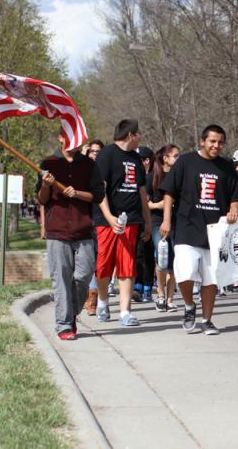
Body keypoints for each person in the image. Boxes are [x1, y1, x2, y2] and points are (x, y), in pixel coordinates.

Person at [160, 124, 238, 335]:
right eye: (212, 141)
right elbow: (169, 193)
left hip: (215, 230)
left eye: (220, 142)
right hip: (187, 227)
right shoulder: (186, 162)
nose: (216, 145)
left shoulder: (227, 167)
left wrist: (233, 210)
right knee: (185, 274)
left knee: (210, 279)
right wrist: (166, 220)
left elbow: (235, 197)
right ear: (202, 141)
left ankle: (206, 320)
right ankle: (189, 306)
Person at [37, 133, 104, 340]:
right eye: (69, 136)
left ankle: (71, 309)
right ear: (59, 138)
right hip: (56, 230)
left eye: (78, 137)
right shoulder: (48, 163)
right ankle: (64, 324)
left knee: (83, 276)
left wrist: (78, 194)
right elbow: (42, 199)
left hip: (83, 229)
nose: (74, 141)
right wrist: (46, 185)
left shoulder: (89, 165)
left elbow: (98, 195)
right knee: (61, 279)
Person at [93, 119, 152, 327]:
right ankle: (102, 301)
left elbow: (142, 192)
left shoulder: (136, 159)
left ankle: (125, 312)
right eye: (138, 133)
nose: (140, 136)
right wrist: (109, 217)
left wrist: (147, 220)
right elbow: (101, 189)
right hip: (106, 221)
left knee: (127, 265)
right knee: (103, 265)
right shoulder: (106, 155)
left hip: (132, 220)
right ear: (130, 135)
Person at [150, 144, 181, 312]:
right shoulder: (152, 177)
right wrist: (158, 205)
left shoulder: (180, 176)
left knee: (175, 261)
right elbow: (145, 203)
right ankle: (160, 295)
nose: (178, 158)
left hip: (178, 223)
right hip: (157, 223)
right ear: (165, 158)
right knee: (162, 259)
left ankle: (170, 299)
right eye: (175, 155)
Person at [83, 139, 105, 317]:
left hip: (102, 220)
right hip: (83, 220)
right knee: (86, 262)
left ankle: (94, 296)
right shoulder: (81, 170)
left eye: (98, 151)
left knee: (98, 261)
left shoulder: (104, 171)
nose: (95, 154)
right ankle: (88, 295)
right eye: (92, 151)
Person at [134, 146, 156, 303]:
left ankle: (146, 287)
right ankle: (138, 285)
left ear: (146, 161)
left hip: (153, 221)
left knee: (148, 255)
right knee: (138, 254)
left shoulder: (154, 178)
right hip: (136, 219)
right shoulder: (135, 177)